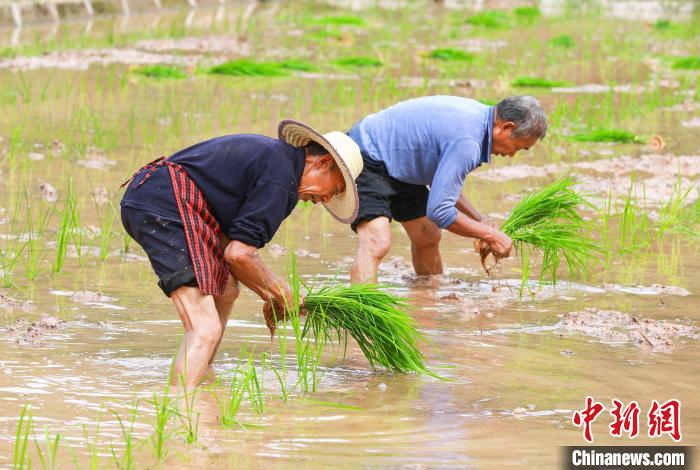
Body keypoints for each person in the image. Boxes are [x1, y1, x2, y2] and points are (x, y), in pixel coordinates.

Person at [120, 120, 363, 388]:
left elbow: (231, 251)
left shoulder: (278, 163)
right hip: (165, 202)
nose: (326, 200)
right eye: (336, 189)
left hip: (157, 195)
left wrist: (275, 294)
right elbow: (239, 254)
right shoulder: (281, 178)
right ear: (324, 163)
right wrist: (279, 291)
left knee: (226, 289)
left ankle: (201, 373)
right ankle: (182, 416)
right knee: (204, 328)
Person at [347, 95, 547, 282]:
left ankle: (429, 302)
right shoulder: (468, 141)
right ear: (505, 128)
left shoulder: (478, 121)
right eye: (517, 147)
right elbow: (440, 211)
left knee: (428, 235)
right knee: (377, 241)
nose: (512, 155)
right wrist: (490, 235)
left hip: (399, 163)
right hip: (365, 153)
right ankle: (360, 316)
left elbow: (442, 184)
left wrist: (480, 220)